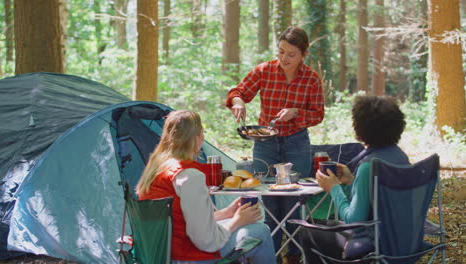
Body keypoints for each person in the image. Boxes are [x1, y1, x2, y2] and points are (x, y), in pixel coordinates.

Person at [225, 25, 324, 263]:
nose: (284, 58)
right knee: (268, 198)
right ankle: (271, 255)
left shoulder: (311, 78)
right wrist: (238, 102)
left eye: (291, 54)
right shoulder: (264, 70)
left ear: (303, 54)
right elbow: (238, 91)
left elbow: (318, 114)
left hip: (297, 142)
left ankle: (293, 255)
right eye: (280, 52)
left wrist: (295, 113)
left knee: (293, 200)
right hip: (265, 142)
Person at [135, 110, 276, 264]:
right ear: (196, 137)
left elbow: (180, 219)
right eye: (202, 133)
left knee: (230, 226)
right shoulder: (189, 176)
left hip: (161, 253)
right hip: (186, 257)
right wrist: (238, 221)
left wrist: (227, 213)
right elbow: (207, 241)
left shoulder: (157, 169)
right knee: (261, 230)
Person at [300, 95, 409, 262]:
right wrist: (352, 181)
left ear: (360, 129)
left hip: (374, 243)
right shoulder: (399, 156)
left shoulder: (368, 166)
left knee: (309, 230)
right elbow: (379, 201)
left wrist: (334, 188)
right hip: (403, 240)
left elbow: (353, 220)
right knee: (324, 226)